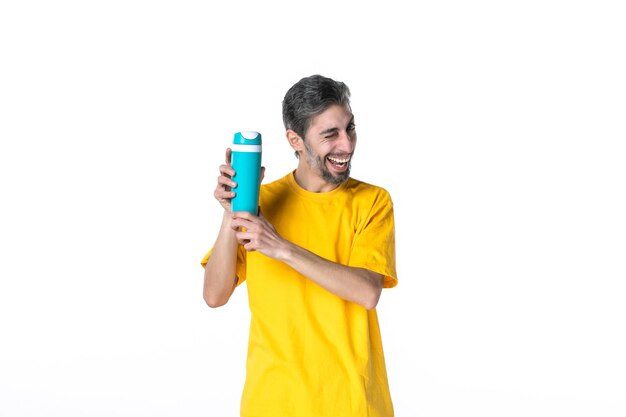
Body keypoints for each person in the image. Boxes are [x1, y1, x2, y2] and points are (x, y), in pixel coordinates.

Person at [201, 74, 398, 417]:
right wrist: (231, 214)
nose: (347, 145)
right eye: (330, 134)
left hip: (351, 403)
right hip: (272, 403)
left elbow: (367, 291)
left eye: (350, 128)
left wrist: (281, 247)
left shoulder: (372, 202)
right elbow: (214, 295)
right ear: (296, 139)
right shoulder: (262, 205)